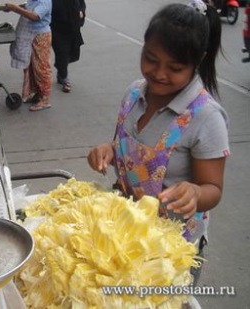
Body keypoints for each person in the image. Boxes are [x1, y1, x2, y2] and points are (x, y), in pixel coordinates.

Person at [87, 0, 229, 284]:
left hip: (171, 249)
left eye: (175, 67)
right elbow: (128, 147)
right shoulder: (133, 94)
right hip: (126, 234)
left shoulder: (205, 117)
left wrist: (195, 193)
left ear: (196, 63)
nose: (159, 74)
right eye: (150, 59)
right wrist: (108, 152)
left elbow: (212, 188)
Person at [4, 0, 53, 111]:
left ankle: (45, 99)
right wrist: (14, 7)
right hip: (31, 35)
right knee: (30, 67)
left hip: (40, 36)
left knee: (41, 68)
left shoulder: (45, 1)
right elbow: (28, 6)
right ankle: (37, 94)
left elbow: (35, 16)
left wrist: (15, 9)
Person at [51, 0, 86, 93]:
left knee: (73, 52)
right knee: (62, 52)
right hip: (57, 27)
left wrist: (81, 11)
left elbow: (81, 3)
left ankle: (61, 71)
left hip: (73, 26)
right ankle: (65, 78)